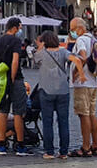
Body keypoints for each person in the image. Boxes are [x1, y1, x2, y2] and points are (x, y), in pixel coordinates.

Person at [32, 30, 81, 160]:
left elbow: (35, 59)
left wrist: (40, 46)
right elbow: (76, 59)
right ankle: (64, 152)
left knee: (47, 123)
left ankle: (49, 151)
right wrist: (80, 74)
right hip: (63, 91)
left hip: (46, 90)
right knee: (63, 122)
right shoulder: (63, 52)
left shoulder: (41, 53)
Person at [0, 17, 32, 156]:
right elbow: (15, 61)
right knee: (18, 113)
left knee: (3, 111)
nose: (20, 30)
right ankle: (20, 145)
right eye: (19, 28)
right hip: (15, 79)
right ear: (14, 28)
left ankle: (1, 144)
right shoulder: (15, 41)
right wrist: (12, 78)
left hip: (0, 81)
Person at [68, 17, 97, 158]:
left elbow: (82, 56)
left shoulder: (81, 40)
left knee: (84, 115)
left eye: (72, 29)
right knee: (92, 113)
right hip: (93, 82)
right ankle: (95, 145)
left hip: (83, 84)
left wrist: (77, 72)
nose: (71, 32)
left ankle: (86, 147)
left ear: (80, 28)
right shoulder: (93, 39)